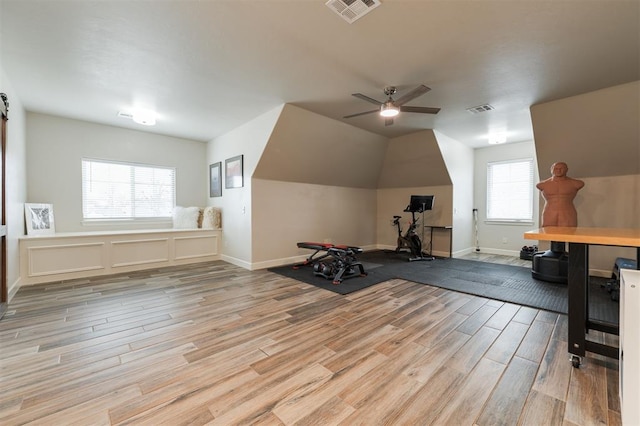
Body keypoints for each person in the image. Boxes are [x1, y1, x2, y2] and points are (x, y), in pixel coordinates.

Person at [536, 162, 585, 227]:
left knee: (568, 234)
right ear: (551, 170)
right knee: (548, 234)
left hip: (568, 213)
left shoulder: (575, 183)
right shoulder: (542, 185)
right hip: (549, 213)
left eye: (561, 168)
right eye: (556, 168)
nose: (558, 170)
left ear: (566, 169)